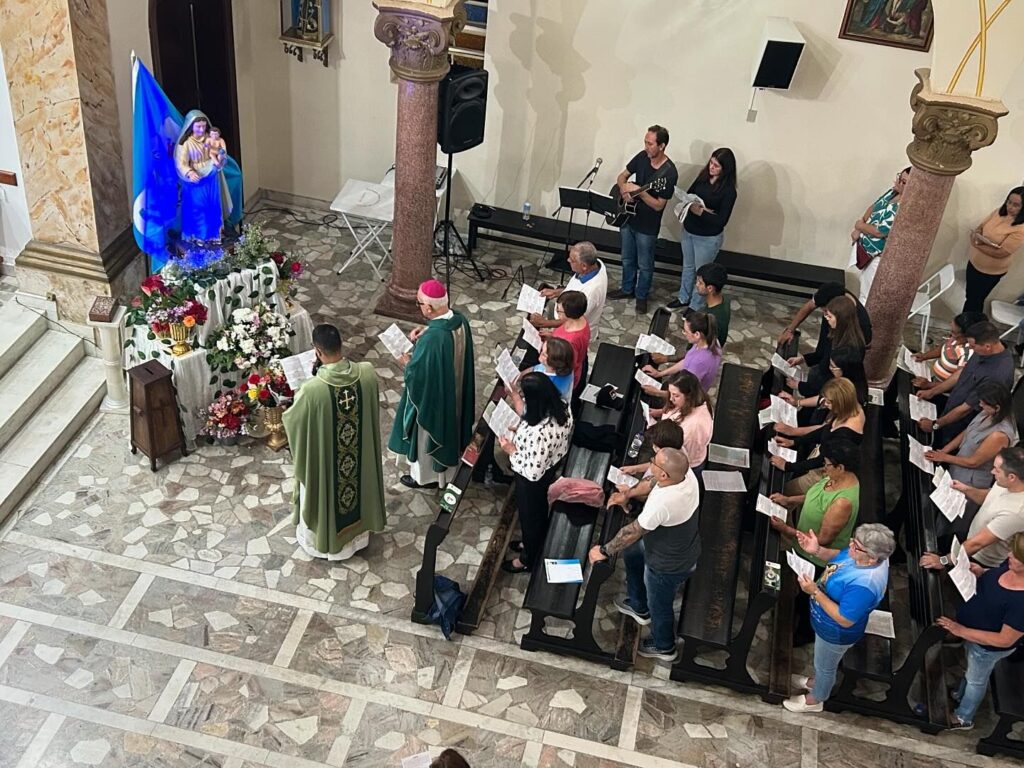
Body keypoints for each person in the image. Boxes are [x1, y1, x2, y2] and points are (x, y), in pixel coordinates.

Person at [283, 324, 386, 560]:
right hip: (358, 462)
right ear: (341, 345)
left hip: (328, 464)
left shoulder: (312, 390)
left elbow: (292, 421)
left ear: (317, 352)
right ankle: (358, 537)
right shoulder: (367, 373)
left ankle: (326, 541)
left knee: (324, 486)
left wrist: (300, 393)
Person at [589, 448, 700, 661]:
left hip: (668, 563)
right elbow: (651, 482)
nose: (650, 463)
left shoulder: (664, 503)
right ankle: (639, 606)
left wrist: (603, 550)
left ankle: (664, 646)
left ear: (664, 474)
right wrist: (627, 494)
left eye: (654, 463)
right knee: (633, 553)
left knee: (659, 604)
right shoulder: (686, 475)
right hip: (663, 543)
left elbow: (632, 531)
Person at [783, 524, 896, 713]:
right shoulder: (861, 555)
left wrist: (815, 592)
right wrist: (817, 550)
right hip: (824, 622)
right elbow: (839, 557)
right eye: (853, 540)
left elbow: (845, 619)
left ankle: (816, 699)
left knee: (826, 666)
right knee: (821, 662)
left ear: (872, 558)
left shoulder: (864, 585)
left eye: (856, 546)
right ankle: (816, 682)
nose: (850, 546)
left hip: (836, 632)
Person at [390, 279, 475, 490]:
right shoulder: (459, 320)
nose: (418, 307)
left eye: (418, 303)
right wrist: (423, 336)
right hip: (455, 393)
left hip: (435, 402)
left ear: (429, 307)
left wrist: (406, 364)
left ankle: (425, 478)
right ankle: (445, 474)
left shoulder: (434, 338)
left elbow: (419, 377)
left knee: (425, 435)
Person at [936, 532, 1024, 731]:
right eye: (1012, 551)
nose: (1010, 555)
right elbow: (994, 578)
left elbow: (1004, 639)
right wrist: (981, 571)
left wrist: (962, 630)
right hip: (974, 635)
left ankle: (963, 717)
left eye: (1017, 556)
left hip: (987, 648)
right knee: (971, 668)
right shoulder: (1010, 566)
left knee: (977, 679)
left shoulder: (1021, 602)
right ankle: (959, 695)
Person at [500, 373, 573, 573]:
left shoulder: (538, 433)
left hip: (531, 480)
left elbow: (532, 471)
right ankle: (529, 542)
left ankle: (528, 559)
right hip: (552, 463)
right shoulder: (561, 405)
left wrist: (511, 451)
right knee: (537, 511)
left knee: (530, 516)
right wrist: (521, 433)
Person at [607, 126, 678, 314]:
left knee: (645, 264)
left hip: (647, 225)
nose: (646, 146)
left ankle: (641, 296)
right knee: (627, 258)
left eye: (650, 143)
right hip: (628, 217)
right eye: (645, 142)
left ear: (662, 146)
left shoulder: (669, 174)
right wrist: (624, 189)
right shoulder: (641, 156)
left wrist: (641, 192)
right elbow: (622, 177)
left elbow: (658, 205)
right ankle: (627, 288)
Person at [920, 448, 1024, 570]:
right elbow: (990, 496)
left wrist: (943, 561)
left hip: (979, 558)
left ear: (1012, 477)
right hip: (970, 537)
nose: (992, 471)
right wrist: (965, 489)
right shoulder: (1006, 483)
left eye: (997, 470)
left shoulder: (1015, 512)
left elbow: (977, 543)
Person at [770, 439, 862, 569]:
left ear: (840, 468)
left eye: (827, 464)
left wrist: (786, 529)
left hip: (811, 558)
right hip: (802, 543)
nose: (824, 468)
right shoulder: (836, 477)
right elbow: (817, 496)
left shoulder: (842, 503)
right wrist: (788, 500)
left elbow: (822, 540)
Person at [918, 321, 1014, 444]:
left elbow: (966, 409)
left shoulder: (996, 375)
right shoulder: (983, 351)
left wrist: (935, 425)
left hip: (961, 421)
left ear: (987, 346)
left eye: (973, 346)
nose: (970, 348)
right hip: (952, 405)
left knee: (941, 443)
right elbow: (962, 373)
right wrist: (932, 391)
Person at [669, 148, 738, 312]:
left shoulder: (729, 191)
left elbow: (721, 220)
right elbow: (690, 194)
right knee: (688, 267)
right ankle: (683, 297)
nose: (711, 168)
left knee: (702, 275)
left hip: (707, 238)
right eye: (711, 163)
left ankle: (695, 305)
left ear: (725, 169)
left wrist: (700, 212)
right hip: (690, 230)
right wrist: (691, 204)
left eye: (716, 166)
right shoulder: (703, 178)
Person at [773, 377, 865, 495]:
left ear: (841, 402)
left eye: (828, 402)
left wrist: (787, 466)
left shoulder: (846, 433)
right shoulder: (850, 407)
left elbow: (822, 460)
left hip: (824, 471)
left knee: (788, 491)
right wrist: (794, 442)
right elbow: (825, 430)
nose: (825, 405)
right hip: (822, 456)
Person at [925, 381, 1017, 491]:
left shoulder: (999, 435)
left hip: (970, 481)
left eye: (984, 403)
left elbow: (974, 462)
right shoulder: (988, 412)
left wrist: (944, 457)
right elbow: (968, 431)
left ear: (997, 407)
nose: (980, 405)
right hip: (957, 465)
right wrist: (944, 450)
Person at [848, 167, 910, 304]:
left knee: (867, 294)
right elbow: (873, 207)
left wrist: (859, 226)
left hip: (877, 254)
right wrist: (861, 223)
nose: (898, 182)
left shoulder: (906, 206)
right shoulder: (892, 192)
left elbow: (880, 231)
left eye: (904, 182)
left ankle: (862, 323)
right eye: (899, 177)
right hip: (864, 245)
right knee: (861, 284)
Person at [790, 296, 866, 401]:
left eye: (830, 316)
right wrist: (802, 359)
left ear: (840, 319)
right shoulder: (840, 333)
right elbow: (822, 353)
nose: (826, 318)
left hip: (837, 394)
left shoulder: (845, 353)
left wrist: (801, 387)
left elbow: (828, 380)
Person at [174, 110, 234, 242]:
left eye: (203, 126)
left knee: (213, 206)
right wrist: (189, 172)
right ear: (191, 127)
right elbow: (181, 163)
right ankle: (200, 235)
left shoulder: (211, 139)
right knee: (198, 207)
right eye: (198, 126)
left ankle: (214, 235)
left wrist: (221, 157)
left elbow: (220, 154)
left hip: (211, 176)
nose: (201, 129)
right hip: (196, 180)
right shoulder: (186, 143)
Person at [963, 187, 1024, 313]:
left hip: (991, 272)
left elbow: (1002, 253)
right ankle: (963, 328)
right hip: (975, 263)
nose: (1010, 207)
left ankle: (967, 329)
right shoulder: (998, 212)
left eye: (1016, 205)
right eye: (1009, 202)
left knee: (975, 300)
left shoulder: (1021, 228)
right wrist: (977, 235)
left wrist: (978, 245)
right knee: (969, 297)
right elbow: (980, 228)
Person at [533, 241, 608, 336]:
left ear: (584, 266)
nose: (568, 260)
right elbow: (575, 289)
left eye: (572, 260)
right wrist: (557, 292)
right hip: (564, 313)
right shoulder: (595, 264)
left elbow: (573, 321)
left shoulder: (590, 294)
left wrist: (544, 323)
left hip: (573, 332)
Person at [646, 372, 714, 475]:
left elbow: (683, 457)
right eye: (670, 393)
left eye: (676, 395)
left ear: (689, 396)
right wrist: (660, 412)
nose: (670, 399)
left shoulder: (694, 427)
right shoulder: (689, 402)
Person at [777, 281, 873, 352]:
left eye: (826, 312)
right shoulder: (833, 292)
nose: (824, 315)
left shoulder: (860, 324)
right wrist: (790, 330)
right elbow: (810, 306)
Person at [642, 311, 722, 391]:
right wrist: (660, 373)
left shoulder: (698, 362)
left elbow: (686, 394)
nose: (684, 333)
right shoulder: (711, 341)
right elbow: (686, 361)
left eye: (686, 331)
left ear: (697, 334)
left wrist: (657, 392)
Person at [913, 311, 986, 393]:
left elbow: (957, 384)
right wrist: (924, 356)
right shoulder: (955, 338)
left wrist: (929, 385)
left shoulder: (968, 354)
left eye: (954, 332)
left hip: (940, 390)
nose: (951, 334)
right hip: (933, 380)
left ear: (967, 336)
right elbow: (945, 348)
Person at [616, 420, 685, 504]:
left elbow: (647, 496)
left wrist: (630, 492)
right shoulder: (674, 453)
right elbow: (657, 463)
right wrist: (636, 468)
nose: (653, 446)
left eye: (655, 446)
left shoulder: (669, 475)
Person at [549, 290, 591, 390]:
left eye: (559, 310)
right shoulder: (580, 318)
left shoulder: (570, 341)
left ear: (569, 313)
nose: (557, 312)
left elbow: (565, 366)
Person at [695, 262, 730, 346]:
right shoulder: (724, 300)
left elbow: (704, 349)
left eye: (700, 283)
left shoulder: (711, 319)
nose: (696, 285)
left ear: (710, 288)